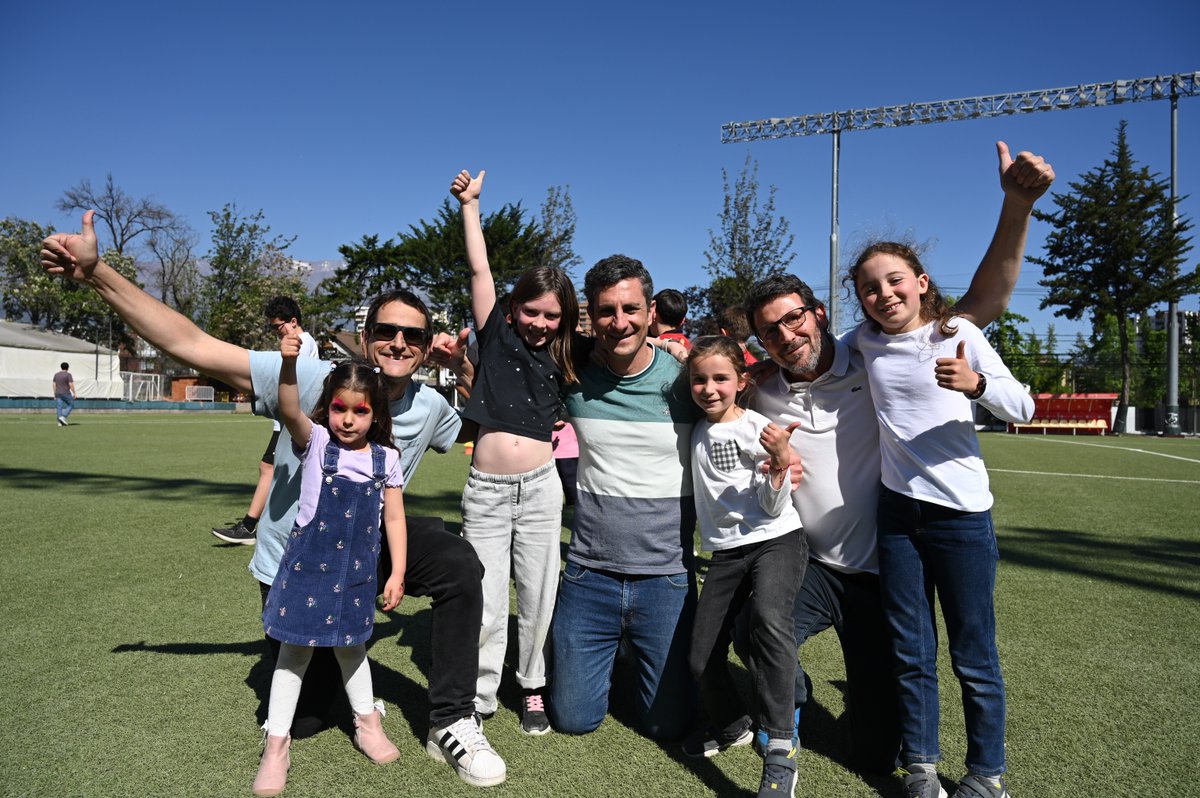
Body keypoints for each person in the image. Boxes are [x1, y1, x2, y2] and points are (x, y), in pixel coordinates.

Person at [39, 214, 507, 788]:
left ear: (426, 346)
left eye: (413, 335)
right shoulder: (312, 380)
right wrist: (98, 274)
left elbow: (473, 429)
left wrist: (466, 368)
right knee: (312, 715)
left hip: (367, 548)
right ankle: (318, 711)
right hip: (300, 559)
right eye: (387, 330)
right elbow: (191, 344)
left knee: (458, 562)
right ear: (365, 337)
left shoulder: (429, 406)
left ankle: (452, 718)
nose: (399, 343)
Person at [736, 143, 1054, 782]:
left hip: (901, 553)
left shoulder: (894, 344)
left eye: (796, 320)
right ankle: (799, 708)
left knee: (890, 739)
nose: (788, 337)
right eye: (771, 332)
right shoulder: (785, 379)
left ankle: (977, 771)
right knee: (762, 632)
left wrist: (1017, 206)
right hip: (832, 555)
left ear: (819, 315)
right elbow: (722, 382)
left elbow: (990, 299)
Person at [846, 242, 1032, 798]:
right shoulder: (863, 341)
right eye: (869, 289)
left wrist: (978, 386)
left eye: (894, 281)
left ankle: (986, 776)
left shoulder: (958, 333)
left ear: (922, 282)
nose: (884, 295)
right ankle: (922, 769)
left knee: (973, 655)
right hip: (897, 517)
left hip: (962, 519)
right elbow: (812, 358)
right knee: (910, 652)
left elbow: (1024, 407)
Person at [547, 255, 702, 741]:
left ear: (651, 311)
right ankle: (612, 646)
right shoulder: (571, 373)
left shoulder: (686, 380)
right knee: (574, 720)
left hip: (667, 579)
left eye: (630, 308)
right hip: (588, 575)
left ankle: (631, 648)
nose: (620, 322)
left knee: (665, 725)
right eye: (606, 311)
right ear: (591, 317)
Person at [450, 169, 580, 735]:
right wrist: (471, 207)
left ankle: (531, 686)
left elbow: (624, 349)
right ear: (512, 309)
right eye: (531, 311)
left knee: (538, 592)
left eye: (552, 316)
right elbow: (480, 269)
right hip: (486, 491)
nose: (540, 323)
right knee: (484, 594)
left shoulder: (569, 352)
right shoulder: (495, 333)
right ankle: (481, 693)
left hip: (541, 489)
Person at [253, 348, 408, 797]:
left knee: (352, 648)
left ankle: (367, 723)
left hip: (356, 576)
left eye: (360, 411)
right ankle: (276, 745)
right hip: (307, 572)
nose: (348, 420)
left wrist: (396, 573)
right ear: (328, 407)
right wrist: (287, 363)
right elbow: (289, 408)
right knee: (293, 653)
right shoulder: (317, 442)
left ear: (376, 413)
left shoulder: (386, 459)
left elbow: (394, 518)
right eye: (339, 408)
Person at [683, 335, 807, 798]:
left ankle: (781, 747)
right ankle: (734, 725)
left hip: (777, 540)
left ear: (741, 381)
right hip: (725, 553)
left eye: (721, 378)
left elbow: (774, 508)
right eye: (699, 379)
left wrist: (778, 464)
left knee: (769, 622)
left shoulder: (759, 428)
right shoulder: (696, 428)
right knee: (700, 658)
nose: (709, 388)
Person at [213, 296, 319, 545]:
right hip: (288, 421)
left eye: (277, 326)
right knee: (279, 471)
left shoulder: (302, 343)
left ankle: (249, 527)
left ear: (293, 322)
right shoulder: (305, 342)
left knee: (268, 468)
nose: (275, 332)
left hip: (290, 422)